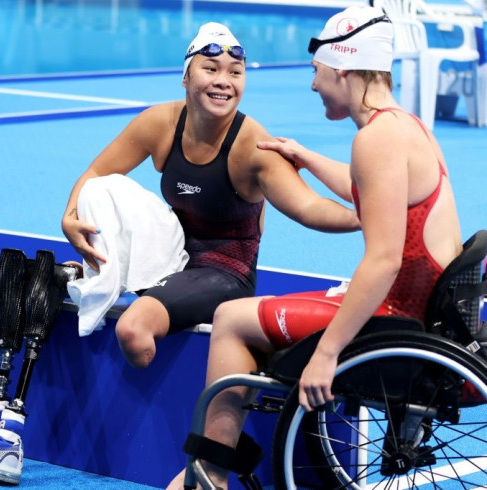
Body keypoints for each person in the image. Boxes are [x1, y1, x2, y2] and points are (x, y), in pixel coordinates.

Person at [168, 6, 463, 489]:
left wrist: (327, 353)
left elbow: (384, 258)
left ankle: (210, 476)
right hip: (420, 306)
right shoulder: (403, 126)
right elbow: (370, 188)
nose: (312, 85)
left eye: (316, 71)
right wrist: (305, 156)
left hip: (395, 314)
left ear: (342, 68)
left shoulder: (377, 139)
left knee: (232, 319)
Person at [61, 22, 359, 370]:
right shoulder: (160, 123)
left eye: (236, 72)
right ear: (186, 77)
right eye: (211, 69)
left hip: (225, 273)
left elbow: (309, 207)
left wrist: (365, 217)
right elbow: (96, 174)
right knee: (102, 190)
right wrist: (70, 217)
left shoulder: (253, 147)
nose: (224, 81)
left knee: (133, 330)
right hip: (170, 254)